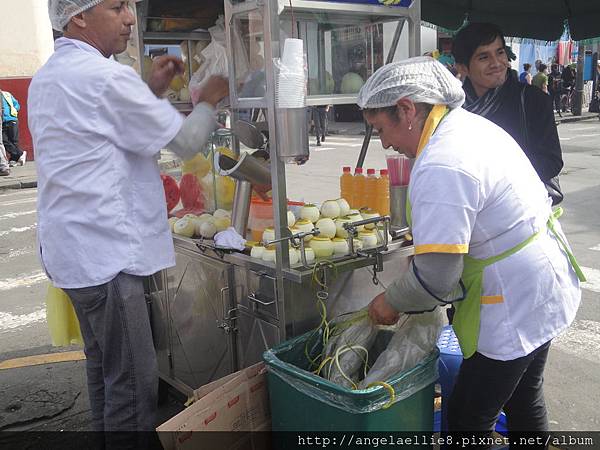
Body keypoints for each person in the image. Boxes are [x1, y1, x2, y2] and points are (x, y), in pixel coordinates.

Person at [28, 0, 228, 440]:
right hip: (107, 257)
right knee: (134, 387)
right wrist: (211, 99)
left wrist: (150, 90)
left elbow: (107, 125)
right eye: (117, 6)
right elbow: (190, 141)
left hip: (72, 253)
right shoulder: (105, 77)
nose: (131, 18)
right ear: (78, 15)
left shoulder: (49, 77)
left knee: (105, 374)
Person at [359, 57, 583, 448]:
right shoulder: (468, 126)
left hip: (513, 300)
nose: (386, 143)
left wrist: (389, 301)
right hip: (543, 279)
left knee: (467, 419)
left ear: (408, 109)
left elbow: (436, 279)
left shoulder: (441, 161)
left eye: (382, 128)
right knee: (523, 397)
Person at [452, 23, 564, 205]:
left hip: (522, 211)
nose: (496, 63)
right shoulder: (453, 108)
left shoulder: (533, 100)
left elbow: (551, 162)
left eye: (500, 52)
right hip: (466, 205)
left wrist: (491, 178)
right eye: (483, 57)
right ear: (463, 68)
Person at [1, 90, 26, 166]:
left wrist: (14, 110)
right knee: (4, 140)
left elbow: (16, 104)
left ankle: (14, 159)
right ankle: (20, 154)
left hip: (12, 119)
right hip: (3, 121)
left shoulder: (6, 94)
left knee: (14, 140)